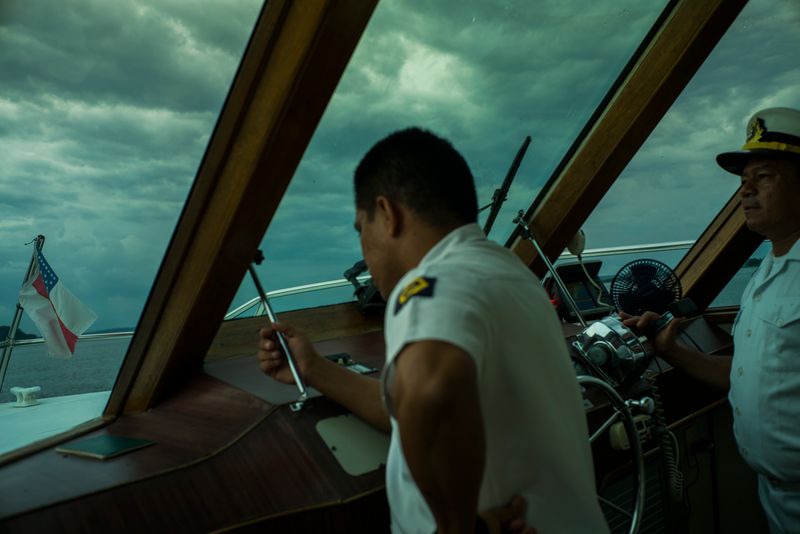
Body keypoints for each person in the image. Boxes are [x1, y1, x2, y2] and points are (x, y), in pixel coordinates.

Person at [257, 127, 609, 534]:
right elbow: (410, 407)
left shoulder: (431, 283)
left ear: (387, 214)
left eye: (361, 229)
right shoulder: (509, 272)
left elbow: (428, 392)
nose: (364, 253)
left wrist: (454, 527)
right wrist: (314, 368)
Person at [623, 107, 800, 533]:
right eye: (743, 182)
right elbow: (748, 376)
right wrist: (672, 352)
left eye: (765, 176)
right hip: (776, 495)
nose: (746, 191)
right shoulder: (769, 270)